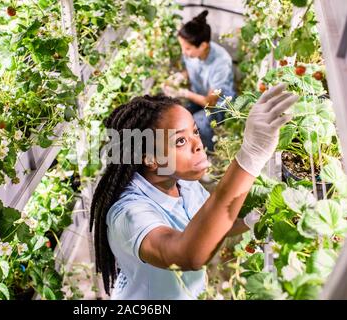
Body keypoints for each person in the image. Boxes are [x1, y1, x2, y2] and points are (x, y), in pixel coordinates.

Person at [90, 84, 297, 299]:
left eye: (195, 132)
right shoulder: (128, 215)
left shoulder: (184, 184)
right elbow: (186, 255)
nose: (198, 144)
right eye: (180, 141)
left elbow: (208, 226)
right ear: (150, 158)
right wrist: (251, 155)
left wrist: (249, 222)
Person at [163, 10, 236, 152]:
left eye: (187, 48)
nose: (184, 52)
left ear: (203, 46)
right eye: (182, 47)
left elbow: (210, 102)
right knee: (176, 114)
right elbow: (191, 70)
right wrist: (180, 76)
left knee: (197, 123)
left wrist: (184, 93)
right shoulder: (191, 55)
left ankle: (208, 152)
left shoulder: (221, 62)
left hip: (219, 105)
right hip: (198, 98)